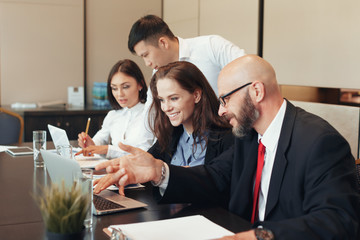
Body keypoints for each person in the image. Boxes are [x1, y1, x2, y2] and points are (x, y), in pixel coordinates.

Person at [94, 55, 360, 239]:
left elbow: (339, 221)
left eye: (226, 99)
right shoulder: (249, 137)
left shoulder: (319, 141)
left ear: (256, 91)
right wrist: (159, 172)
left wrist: (261, 236)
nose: (221, 110)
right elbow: (215, 177)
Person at [94, 61, 234, 195]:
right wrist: (127, 170)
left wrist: (161, 172)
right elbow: (148, 166)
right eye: (162, 100)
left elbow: (216, 183)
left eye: (174, 98)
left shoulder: (226, 137)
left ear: (196, 95)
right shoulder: (171, 134)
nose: (166, 108)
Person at [128, 14, 246, 96]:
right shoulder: (158, 73)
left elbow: (249, 72)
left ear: (163, 43)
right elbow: (150, 114)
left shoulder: (211, 45)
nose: (147, 63)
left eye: (146, 55)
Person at [77, 59, 155, 159]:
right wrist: (91, 144)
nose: (119, 94)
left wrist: (108, 150)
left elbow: (145, 153)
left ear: (140, 84)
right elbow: (100, 139)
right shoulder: (113, 115)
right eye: (114, 88)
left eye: (125, 87)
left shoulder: (150, 114)